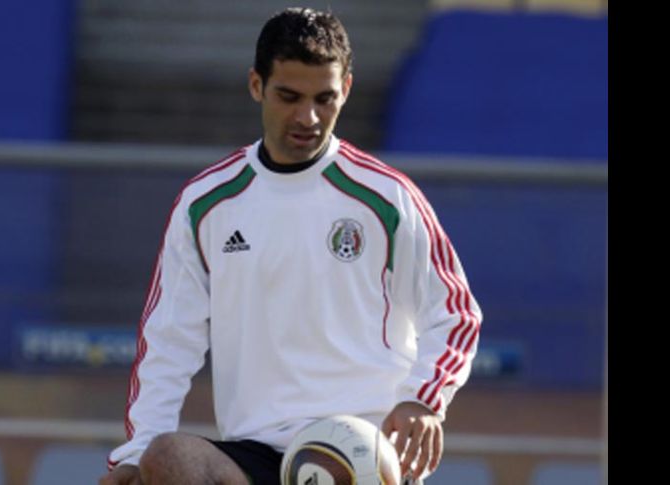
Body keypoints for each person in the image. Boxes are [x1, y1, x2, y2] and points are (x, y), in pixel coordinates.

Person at [100, 7, 482, 485]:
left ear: (346, 89)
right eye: (289, 96)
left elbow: (456, 312)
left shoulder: (388, 197)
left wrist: (423, 398)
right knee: (168, 458)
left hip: (357, 447)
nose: (308, 116)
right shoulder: (206, 203)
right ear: (256, 86)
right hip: (254, 450)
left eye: (325, 98)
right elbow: (168, 339)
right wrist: (134, 454)